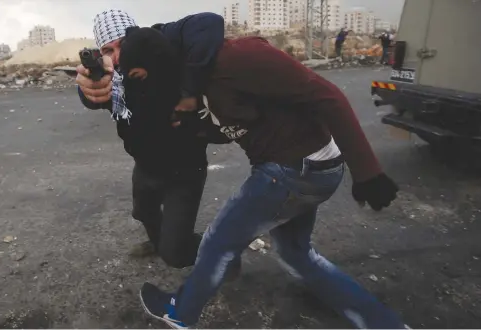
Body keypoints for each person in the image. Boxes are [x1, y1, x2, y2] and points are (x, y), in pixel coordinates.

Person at [130, 34, 406, 328]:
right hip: (306, 168)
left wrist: (367, 172)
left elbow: (329, 95)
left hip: (294, 167)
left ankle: (181, 312)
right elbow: (236, 124)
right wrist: (197, 129)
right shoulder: (191, 85)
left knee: (218, 242)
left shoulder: (236, 56)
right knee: (297, 255)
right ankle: (384, 324)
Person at [75, 9, 227, 268]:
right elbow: (93, 96)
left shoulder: (161, 47)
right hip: (145, 166)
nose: (119, 55)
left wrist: (190, 93)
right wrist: (87, 90)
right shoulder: (115, 80)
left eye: (123, 44)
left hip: (185, 169)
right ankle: (159, 242)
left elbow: (209, 23)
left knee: (176, 255)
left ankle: (222, 253)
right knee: (144, 212)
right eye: (108, 50)